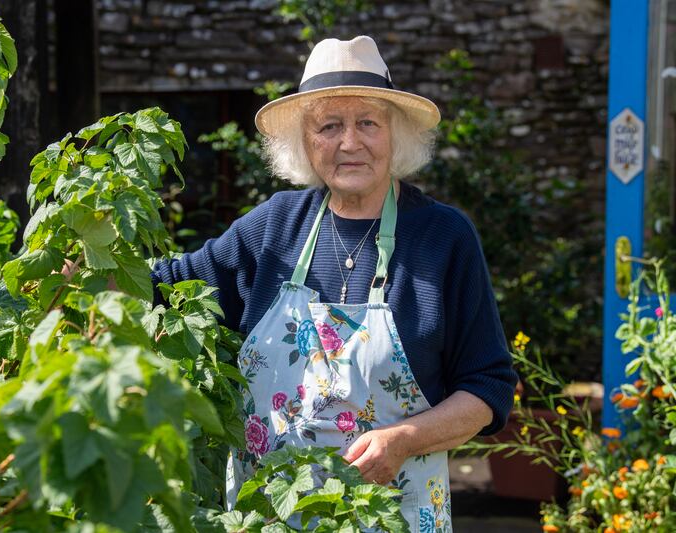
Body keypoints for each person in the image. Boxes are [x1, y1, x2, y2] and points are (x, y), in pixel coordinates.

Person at [152, 35, 518, 531]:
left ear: (397, 134)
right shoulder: (273, 226)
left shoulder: (443, 237)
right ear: (305, 142)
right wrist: (85, 270)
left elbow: (487, 387)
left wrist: (406, 438)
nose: (350, 142)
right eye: (330, 126)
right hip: (270, 517)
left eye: (368, 122)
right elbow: (168, 287)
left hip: (393, 515)